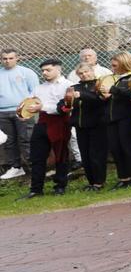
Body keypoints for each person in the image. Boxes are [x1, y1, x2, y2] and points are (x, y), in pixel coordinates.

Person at [19, 59, 73, 198]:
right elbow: (31, 102)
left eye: (48, 70)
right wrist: (25, 113)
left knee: (60, 156)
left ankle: (60, 186)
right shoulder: (39, 87)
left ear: (58, 69)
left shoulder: (68, 86)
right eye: (43, 70)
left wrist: (41, 107)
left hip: (60, 123)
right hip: (41, 123)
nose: (44, 73)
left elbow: (64, 108)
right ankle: (36, 189)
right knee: (37, 157)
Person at [102, 51, 131, 189]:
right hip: (111, 118)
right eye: (111, 64)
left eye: (115, 64)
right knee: (115, 147)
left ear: (124, 63)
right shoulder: (112, 78)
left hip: (128, 117)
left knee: (128, 146)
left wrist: (114, 90)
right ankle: (123, 178)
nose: (112, 66)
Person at [66, 62, 108, 190]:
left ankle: (99, 182)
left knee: (96, 154)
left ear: (92, 71)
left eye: (86, 72)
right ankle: (91, 182)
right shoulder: (74, 87)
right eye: (81, 73)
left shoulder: (99, 84)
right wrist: (65, 105)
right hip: (80, 125)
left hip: (98, 125)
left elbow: (100, 99)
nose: (84, 75)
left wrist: (82, 95)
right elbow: (65, 102)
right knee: (85, 155)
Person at [0, 48, 38, 181]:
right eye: (5, 58)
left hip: (22, 112)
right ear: (1, 59)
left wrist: (26, 109)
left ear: (17, 58)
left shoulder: (26, 73)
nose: (8, 61)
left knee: (26, 139)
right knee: (9, 141)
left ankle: (35, 167)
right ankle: (15, 167)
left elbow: (34, 91)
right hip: (3, 112)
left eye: (11, 58)